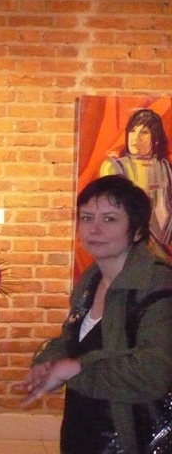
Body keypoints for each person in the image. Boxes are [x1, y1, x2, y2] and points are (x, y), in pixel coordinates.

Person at [16, 175, 172, 453]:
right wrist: (47, 363)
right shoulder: (91, 280)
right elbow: (72, 340)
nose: (94, 229)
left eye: (109, 219)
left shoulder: (159, 285)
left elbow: (154, 372)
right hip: (85, 426)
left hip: (133, 436)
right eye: (87, 218)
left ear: (137, 231)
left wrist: (75, 369)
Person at [100, 108, 172, 247]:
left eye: (144, 132)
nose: (136, 137)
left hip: (165, 247)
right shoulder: (113, 168)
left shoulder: (166, 168)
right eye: (132, 131)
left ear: (156, 139)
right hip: (128, 247)